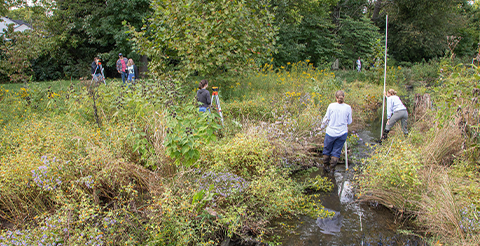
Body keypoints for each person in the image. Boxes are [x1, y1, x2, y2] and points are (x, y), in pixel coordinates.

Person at [322, 90, 352, 173]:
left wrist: (321, 127)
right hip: (342, 133)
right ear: (344, 97)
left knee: (327, 149)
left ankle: (325, 166)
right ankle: (332, 170)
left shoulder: (331, 106)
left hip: (330, 132)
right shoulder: (348, 107)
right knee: (336, 152)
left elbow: (326, 118)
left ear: (335, 97)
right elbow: (349, 122)